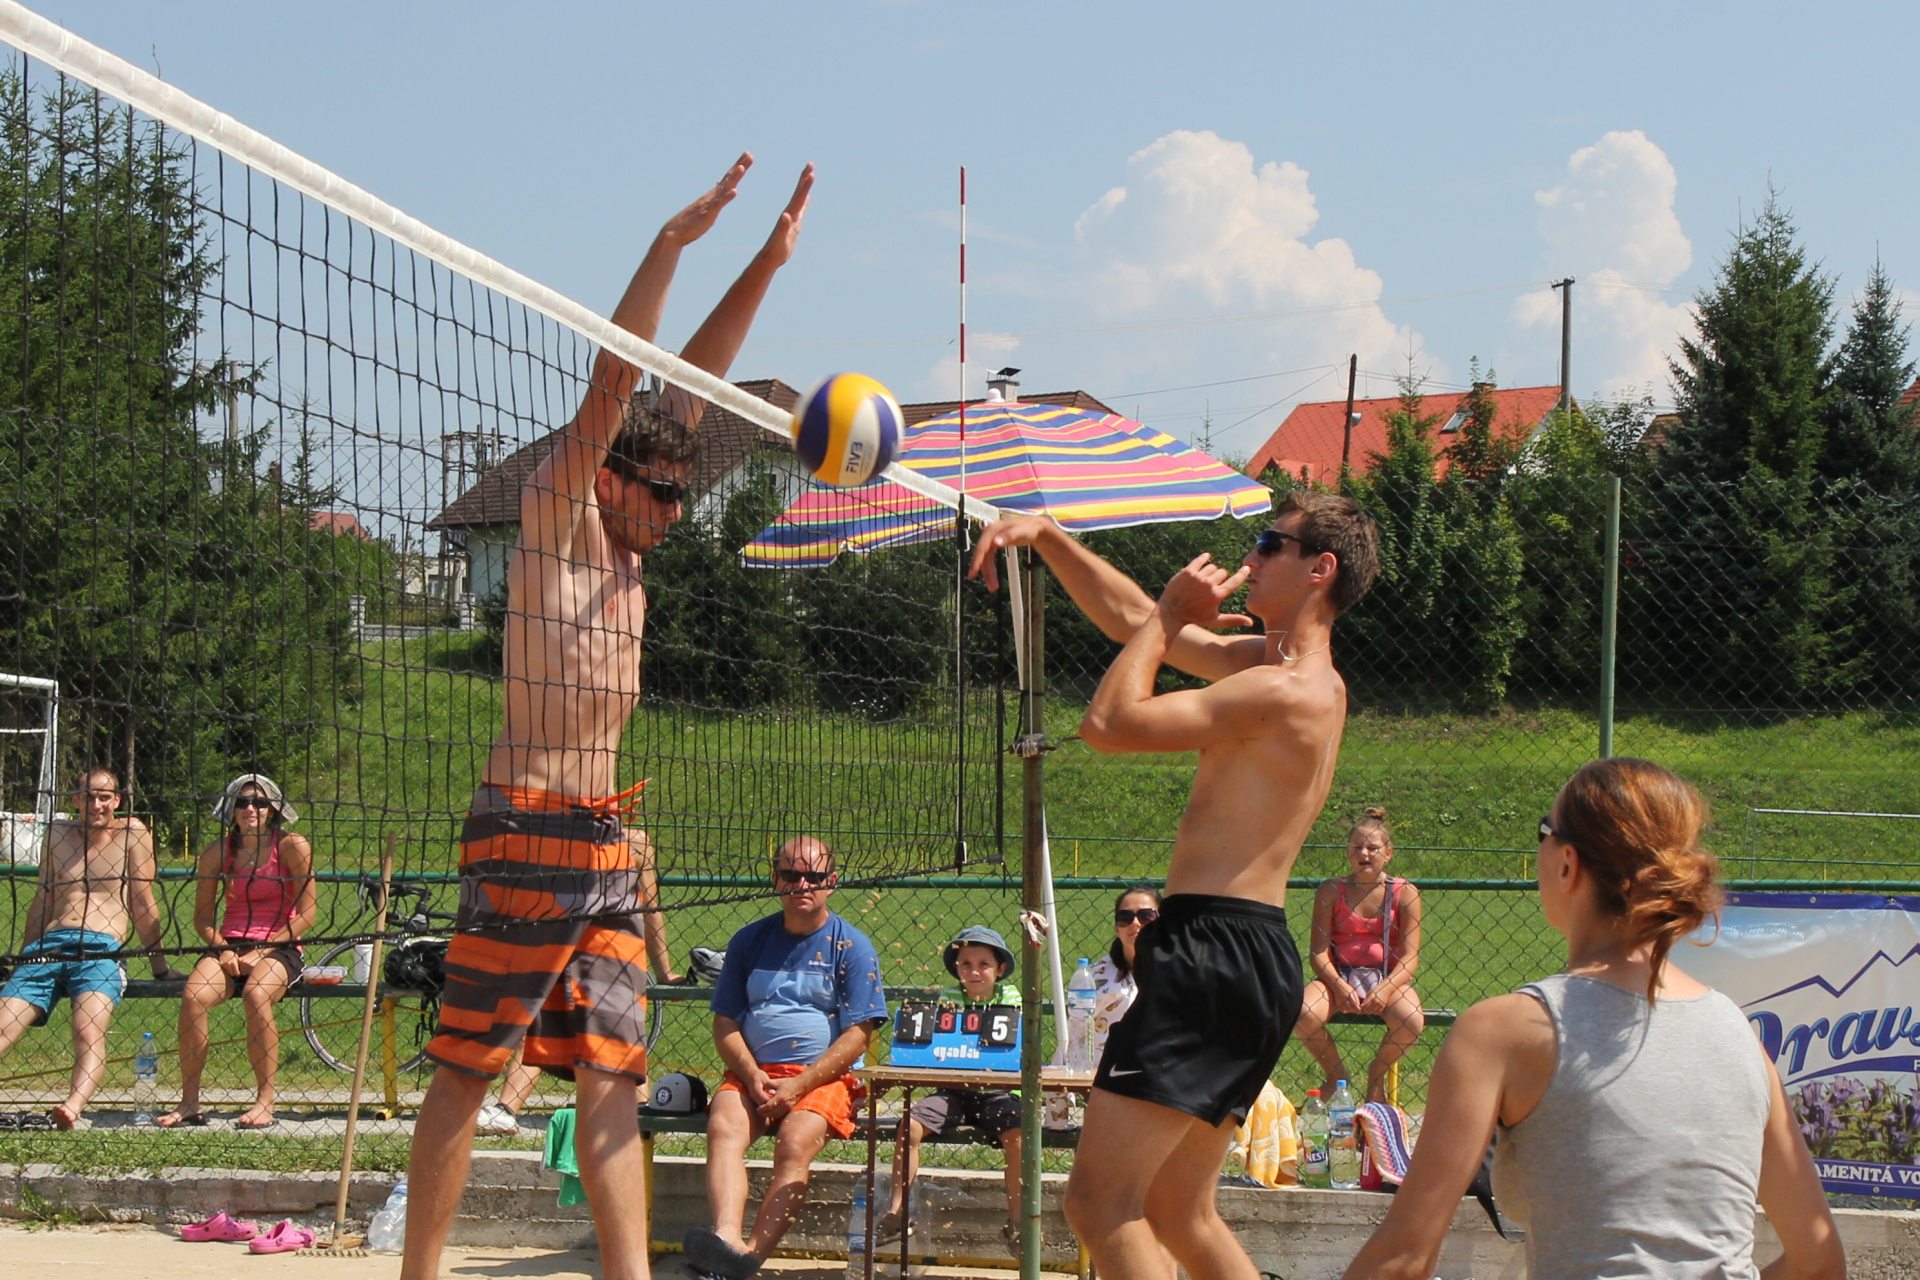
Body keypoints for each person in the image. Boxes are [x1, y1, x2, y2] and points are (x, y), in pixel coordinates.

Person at [399, 153, 812, 1280]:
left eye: (683, 493)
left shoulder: (635, 552)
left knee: (614, 1071)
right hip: (526, 831)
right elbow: (618, 380)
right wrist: (669, 246)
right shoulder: (560, 520)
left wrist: (767, 262)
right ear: (612, 477)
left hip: (609, 843)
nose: (677, 512)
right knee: (468, 1068)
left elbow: (694, 384)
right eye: (663, 493)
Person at [970, 491, 1380, 1280]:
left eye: (1272, 544)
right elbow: (1134, 621)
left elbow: (1108, 725)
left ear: (1320, 569)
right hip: (1247, 953)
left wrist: (1165, 619)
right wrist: (1052, 538)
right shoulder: (1283, 671)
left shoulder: (1283, 689)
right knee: (1178, 1209)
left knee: (1100, 1204)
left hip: (1212, 950)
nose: (1252, 556)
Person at [1344, 758, 1845, 1280]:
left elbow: (1402, 1262)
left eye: (1543, 831)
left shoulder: (1505, 1032)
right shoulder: (1739, 1034)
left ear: (1567, 862)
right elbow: (1820, 1263)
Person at [684, 836, 888, 1280]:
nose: (802, 885)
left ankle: (749, 1258)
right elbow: (725, 1023)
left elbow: (859, 1036)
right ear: (775, 879)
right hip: (754, 1073)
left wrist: (800, 1085)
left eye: (813, 876)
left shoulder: (852, 947)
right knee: (723, 1126)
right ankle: (726, 1240)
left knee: (793, 1143)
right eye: (790, 875)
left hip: (824, 1079)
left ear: (832, 881)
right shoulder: (749, 941)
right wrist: (750, 1074)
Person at [475, 828, 683, 1136]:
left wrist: (665, 971)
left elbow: (650, 909)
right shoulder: (553, 832)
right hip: (556, 946)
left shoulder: (635, 843)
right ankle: (506, 1109)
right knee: (538, 1026)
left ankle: (639, 1116)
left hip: (611, 956)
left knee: (620, 1037)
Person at [0, 767, 172, 1129]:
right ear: (76, 800)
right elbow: (43, 899)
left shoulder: (132, 833)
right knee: (5, 1023)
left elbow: (143, 903)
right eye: (89, 797)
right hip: (49, 946)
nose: (97, 805)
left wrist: (160, 967)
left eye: (105, 797)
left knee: (87, 1030)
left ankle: (72, 1106)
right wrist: (24, 956)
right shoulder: (57, 833)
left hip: (101, 950)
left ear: (117, 801)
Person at [154, 773, 315, 1130]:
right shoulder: (217, 852)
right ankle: (189, 1102)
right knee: (193, 996)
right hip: (229, 942)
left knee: (256, 995)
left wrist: (264, 950)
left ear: (273, 808)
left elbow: (308, 914)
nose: (250, 808)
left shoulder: (292, 845)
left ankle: (265, 1101)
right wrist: (223, 950)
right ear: (231, 810)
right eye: (242, 802)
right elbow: (202, 918)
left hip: (281, 944)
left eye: (259, 802)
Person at [876, 924, 1023, 1254]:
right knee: (909, 1126)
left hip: (998, 1092)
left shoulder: (1010, 997)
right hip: (954, 1091)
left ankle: (1017, 1221)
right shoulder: (950, 997)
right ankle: (896, 1213)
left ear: (999, 970)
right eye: (965, 964)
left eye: (983, 964)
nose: (974, 972)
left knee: (1017, 1134)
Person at [1293, 807, 1424, 1103]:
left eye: (1372, 848)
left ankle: (1376, 1074)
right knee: (1303, 1014)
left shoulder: (1405, 893)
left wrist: (1385, 989)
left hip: (1387, 980)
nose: (1364, 853)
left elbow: (1410, 957)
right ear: (1348, 852)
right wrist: (1340, 986)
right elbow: (1318, 953)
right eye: (1357, 848)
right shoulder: (1330, 890)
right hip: (1338, 977)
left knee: (1411, 1021)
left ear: (1388, 853)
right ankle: (1336, 1074)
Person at [1088, 885, 1160, 1062]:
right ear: (1116, 928)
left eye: (1146, 916)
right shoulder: (1096, 977)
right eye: (1125, 917)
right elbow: (1075, 1036)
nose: (1135, 923)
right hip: (1100, 1070)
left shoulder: (1179, 974)